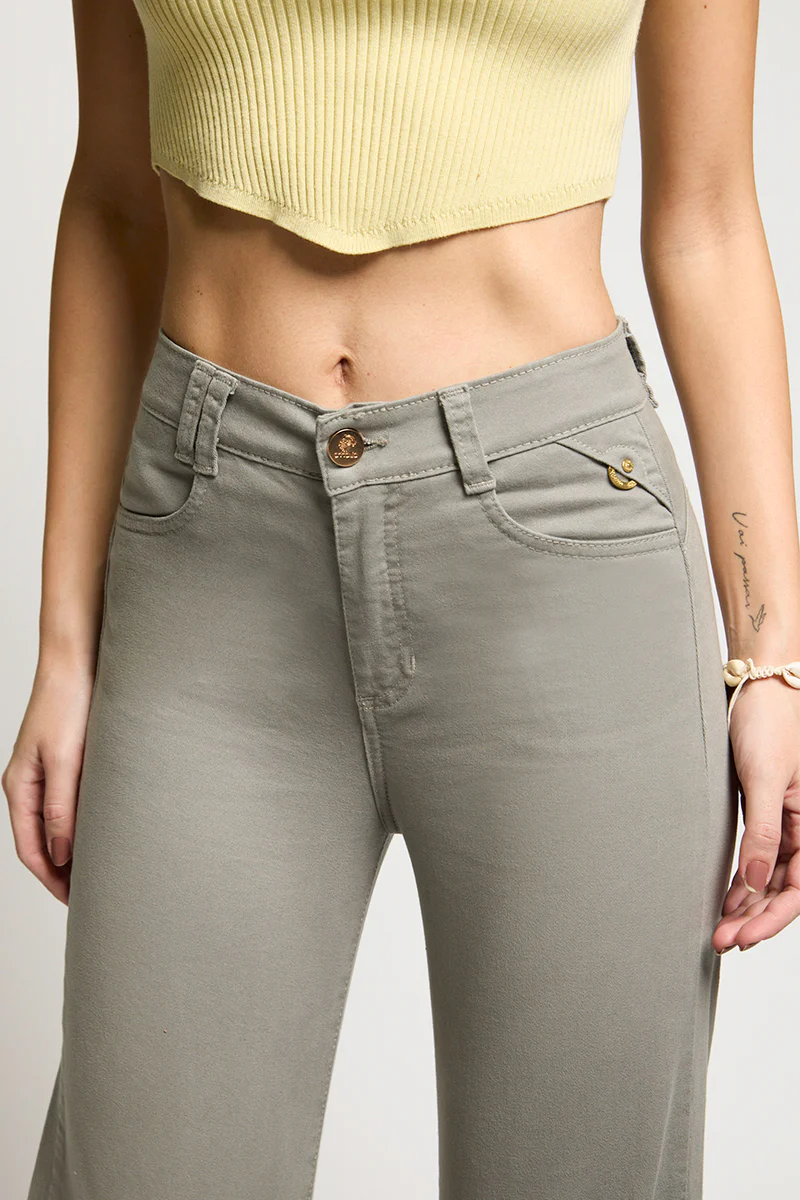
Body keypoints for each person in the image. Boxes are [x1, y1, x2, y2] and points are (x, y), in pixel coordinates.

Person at [4, 1, 799, 1197]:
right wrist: (65, 647)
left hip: (560, 560)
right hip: (211, 561)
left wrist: (771, 656)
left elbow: (708, 221)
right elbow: (115, 200)